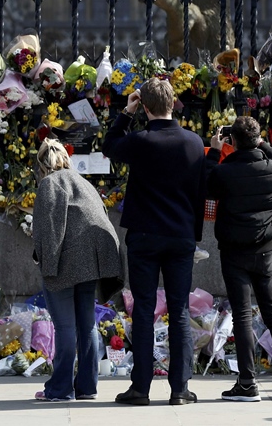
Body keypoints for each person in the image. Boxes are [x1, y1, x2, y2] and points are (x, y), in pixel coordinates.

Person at [103, 77, 206, 406]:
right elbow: (199, 191)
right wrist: (194, 233)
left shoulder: (141, 140)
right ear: (173, 102)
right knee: (178, 312)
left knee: (144, 311)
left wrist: (125, 113)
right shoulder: (193, 142)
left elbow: (109, 147)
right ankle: (180, 388)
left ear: (144, 106)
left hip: (145, 235)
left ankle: (140, 388)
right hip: (180, 235)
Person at [205, 116, 272, 401]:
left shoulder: (225, 172)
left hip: (235, 252)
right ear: (257, 139)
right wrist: (266, 145)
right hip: (265, 251)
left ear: (231, 142)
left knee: (242, 316)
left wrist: (214, 150)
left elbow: (207, 183)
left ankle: (247, 382)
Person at [32, 136, 123, 401]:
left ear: (42, 164)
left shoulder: (49, 184)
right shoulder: (84, 182)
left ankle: (60, 389)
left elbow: (48, 229)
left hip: (65, 261)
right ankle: (86, 387)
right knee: (87, 326)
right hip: (92, 261)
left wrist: (44, 263)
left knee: (65, 327)